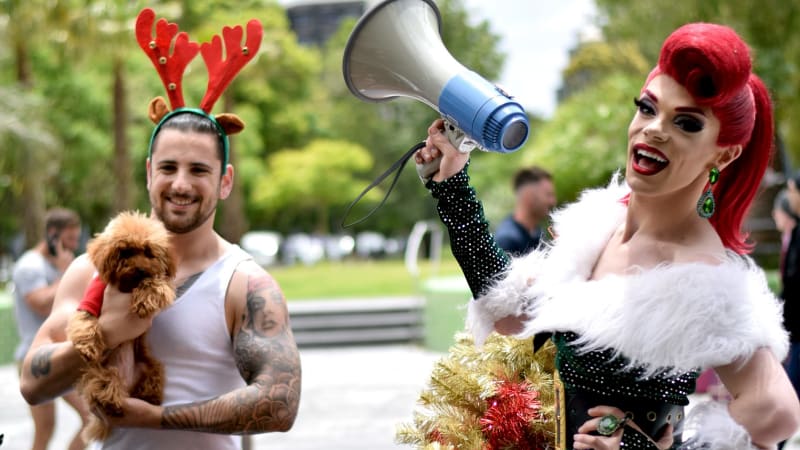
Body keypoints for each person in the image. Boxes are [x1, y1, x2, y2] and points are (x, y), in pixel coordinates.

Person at [414, 22, 800, 449]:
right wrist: (452, 186)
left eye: (687, 123)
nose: (654, 129)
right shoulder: (599, 226)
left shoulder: (703, 277)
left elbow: (777, 416)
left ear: (724, 154)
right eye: (648, 108)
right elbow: (509, 313)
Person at [19, 8, 301, 450]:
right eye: (168, 167)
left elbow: (280, 403)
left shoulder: (243, 284)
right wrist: (110, 331)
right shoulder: (90, 271)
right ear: (150, 172)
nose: (181, 184)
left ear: (224, 181)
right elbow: (32, 382)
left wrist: (155, 417)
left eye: (199, 170)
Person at [12, 207, 90, 450]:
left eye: (76, 240)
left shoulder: (58, 264)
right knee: (45, 431)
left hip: (61, 353)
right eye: (68, 240)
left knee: (92, 418)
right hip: (35, 358)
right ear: (52, 235)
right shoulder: (30, 265)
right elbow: (41, 305)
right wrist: (68, 273)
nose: (73, 246)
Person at [494, 166, 556, 256]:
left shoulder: (537, 232)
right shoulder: (507, 240)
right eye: (548, 195)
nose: (553, 201)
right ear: (529, 197)